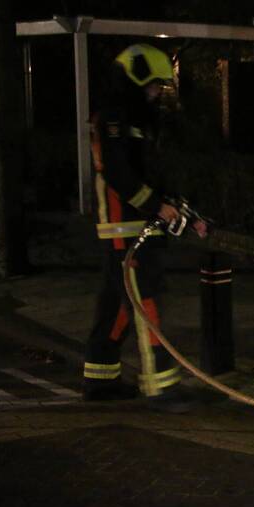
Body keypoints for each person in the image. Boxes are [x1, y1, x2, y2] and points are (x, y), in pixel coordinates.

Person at [82, 43, 207, 412]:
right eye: (153, 85)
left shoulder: (136, 121)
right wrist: (157, 205)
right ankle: (161, 387)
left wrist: (180, 209)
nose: (156, 93)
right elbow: (119, 174)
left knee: (116, 307)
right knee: (144, 301)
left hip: (137, 228)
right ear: (135, 79)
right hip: (125, 231)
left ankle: (100, 379)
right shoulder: (112, 121)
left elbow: (149, 173)